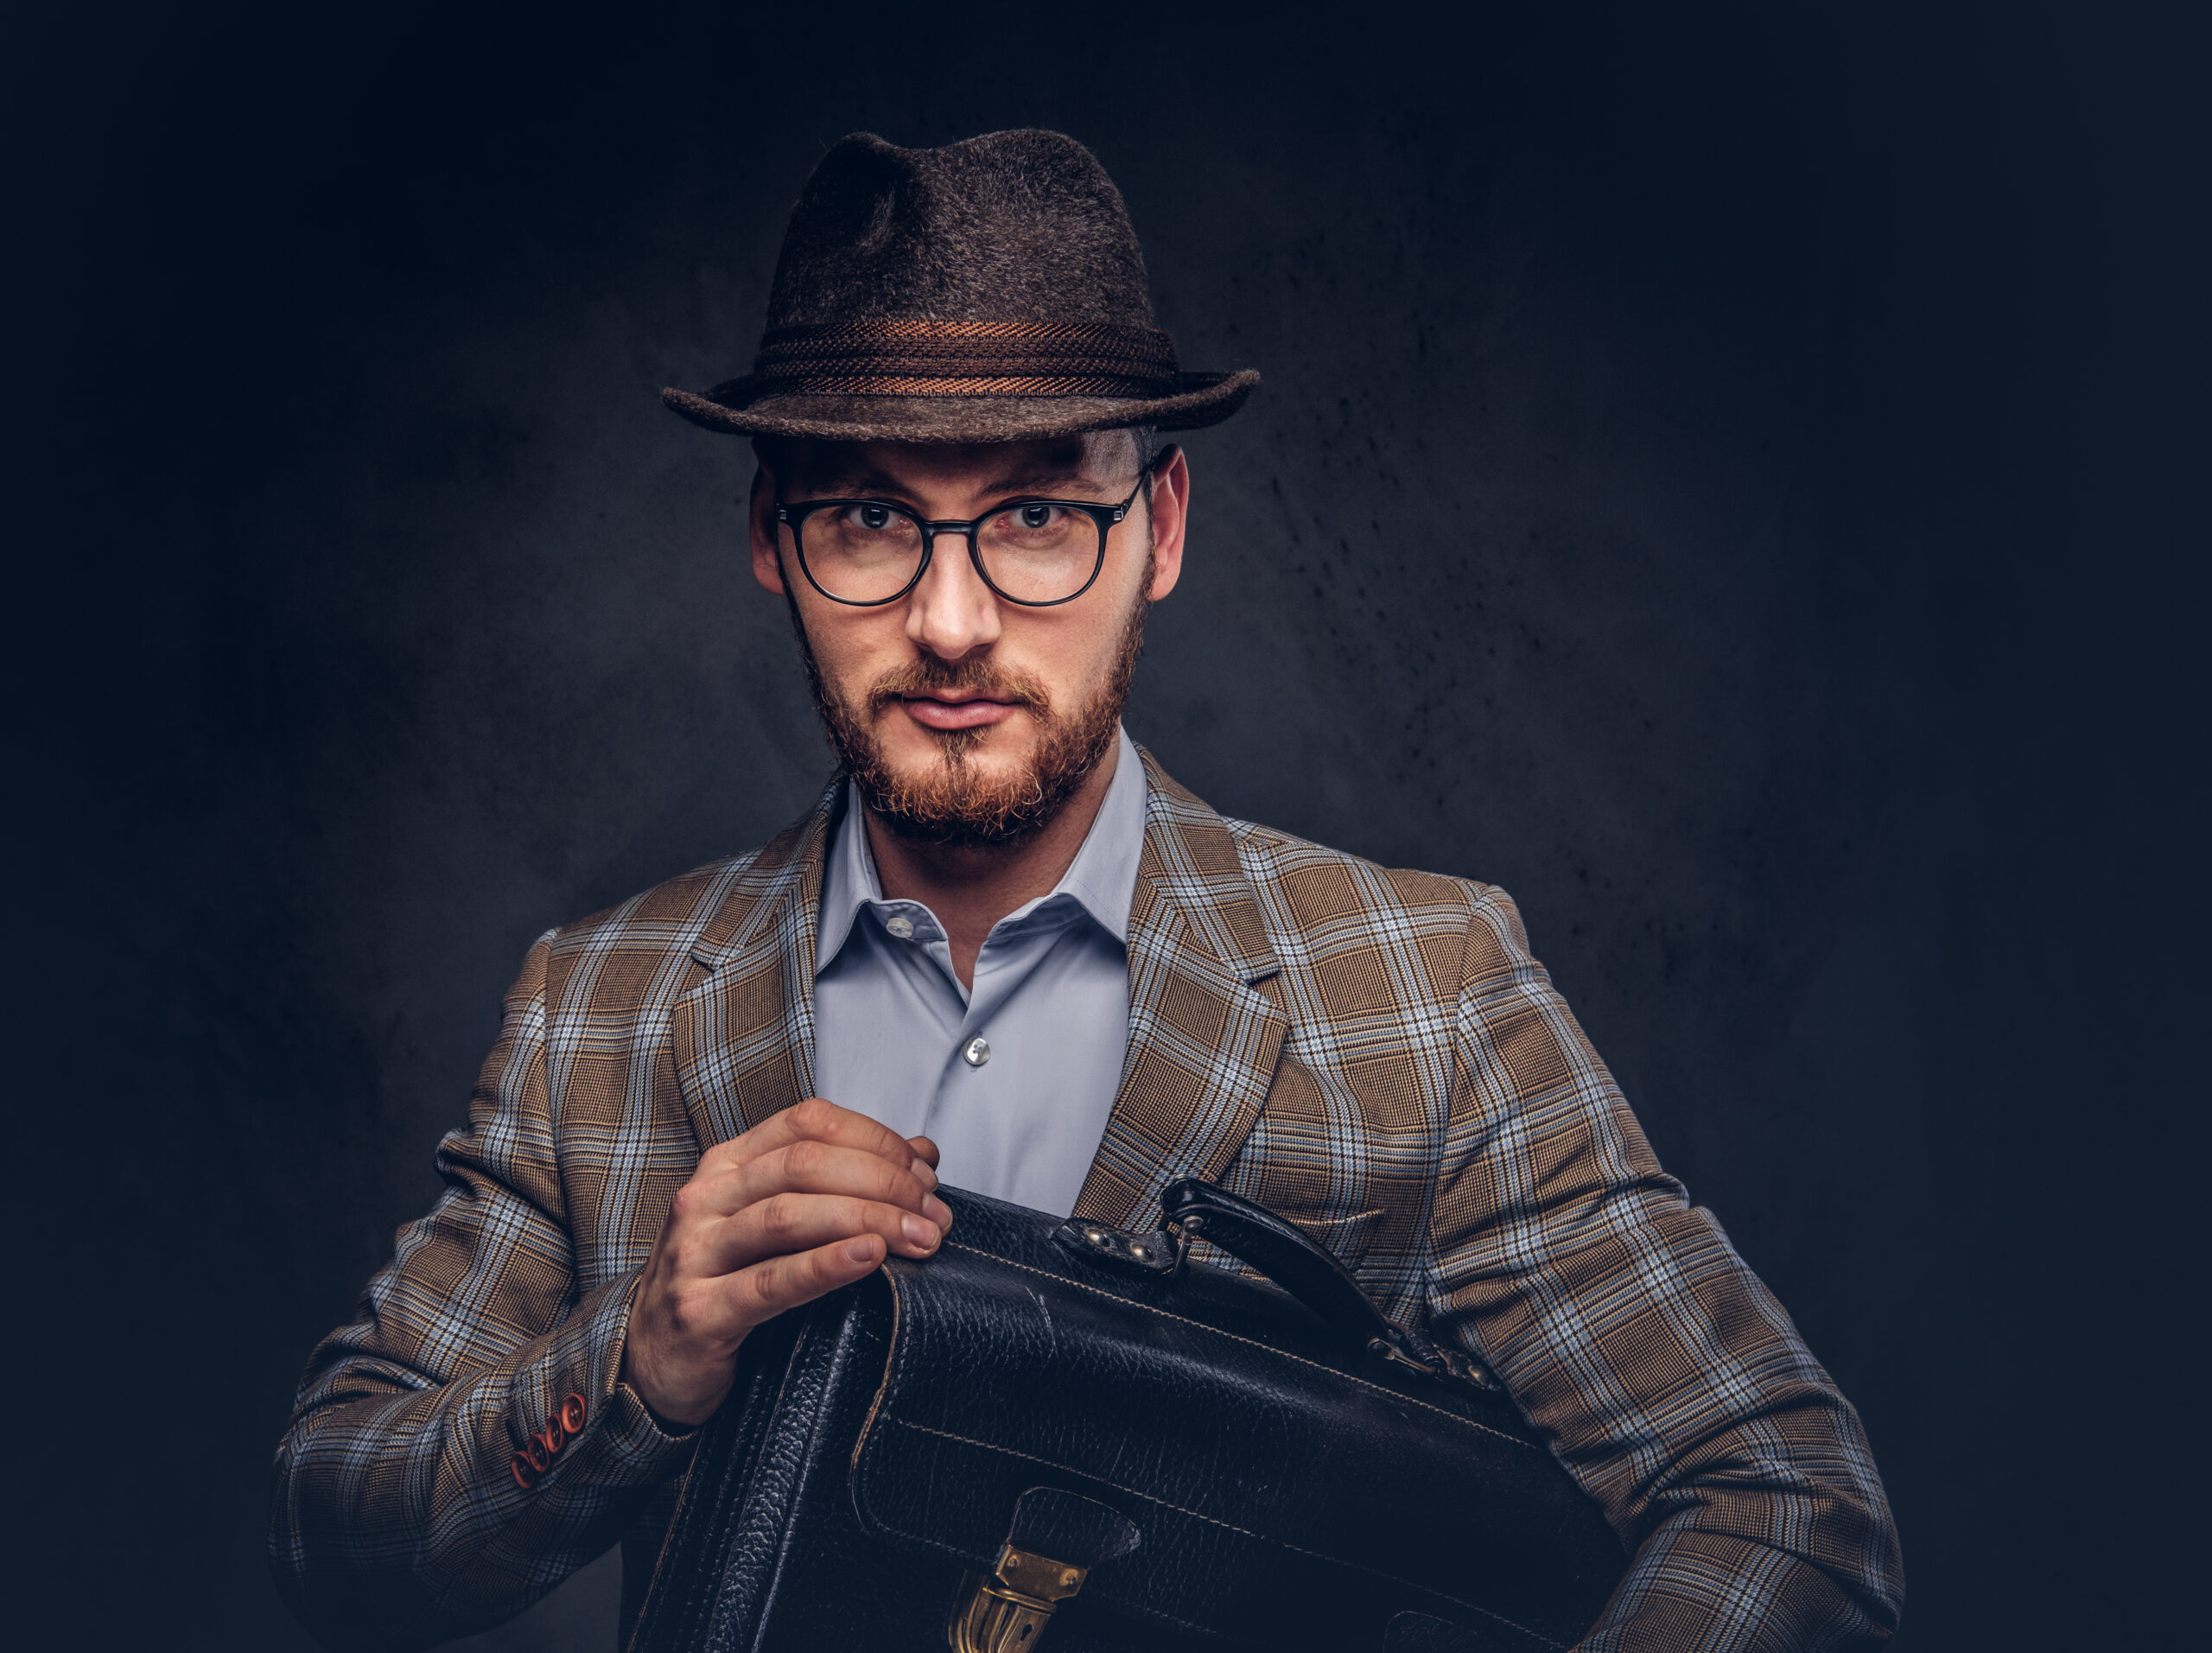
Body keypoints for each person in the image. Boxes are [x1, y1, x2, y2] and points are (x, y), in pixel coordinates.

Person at [271, 130, 1903, 1651]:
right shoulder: (603, 1010)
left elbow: (1784, 1499)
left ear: (1160, 528)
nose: (957, 620)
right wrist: (640, 1359)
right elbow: (337, 1526)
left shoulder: (1422, 992)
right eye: (869, 517)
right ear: (774, 539)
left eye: (1038, 515)